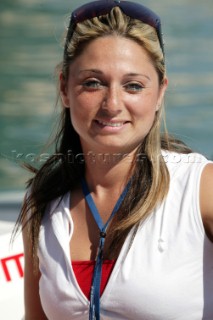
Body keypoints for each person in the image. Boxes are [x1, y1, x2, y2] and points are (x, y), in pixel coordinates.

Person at [15, 0, 213, 319]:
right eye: (93, 83)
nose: (113, 104)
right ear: (64, 87)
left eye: (133, 86)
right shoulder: (40, 202)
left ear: (160, 92)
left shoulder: (201, 189)